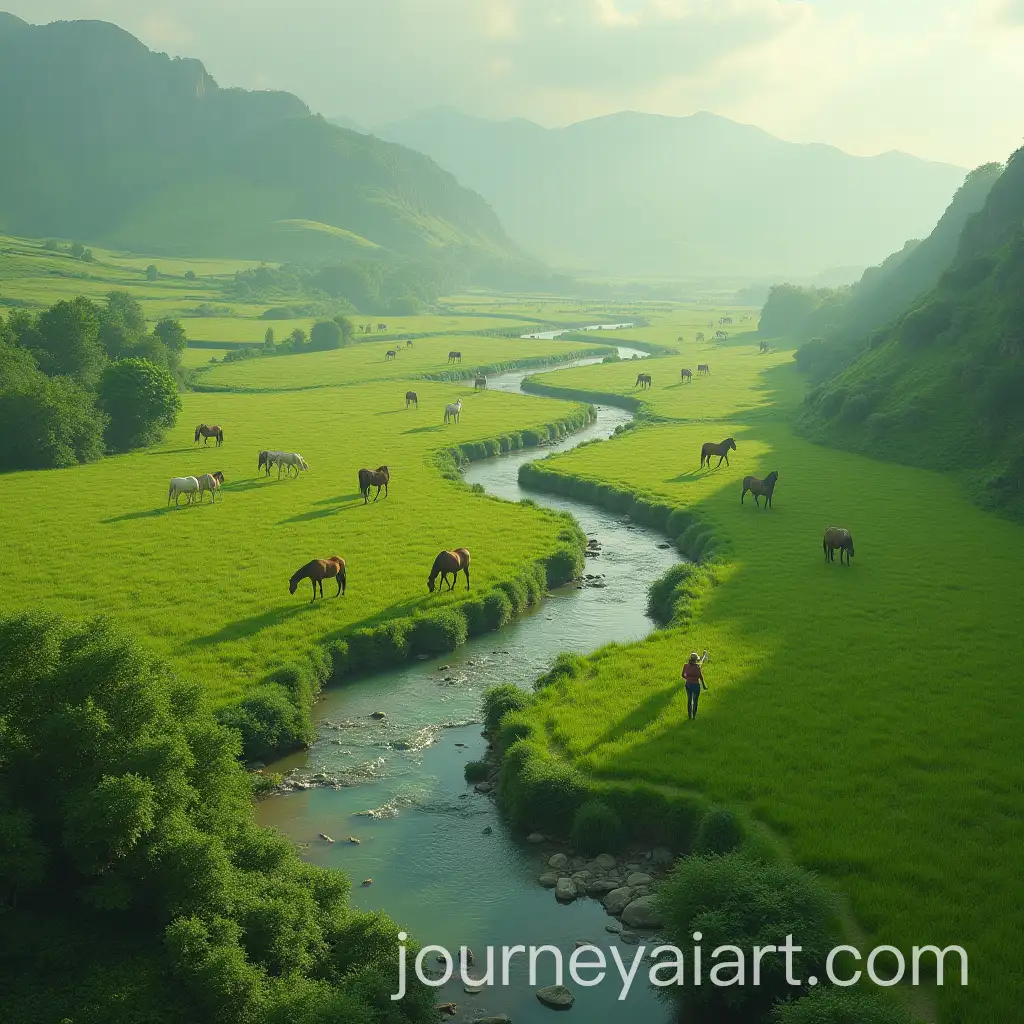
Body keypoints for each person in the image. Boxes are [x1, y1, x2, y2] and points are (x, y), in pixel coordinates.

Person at [682, 651, 707, 720]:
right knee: (695, 701)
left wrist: (688, 678)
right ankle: (694, 716)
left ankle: (689, 716)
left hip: (688, 685)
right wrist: (704, 685)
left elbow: (683, 675)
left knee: (689, 700)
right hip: (696, 686)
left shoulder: (685, 666)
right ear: (696, 660)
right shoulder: (697, 667)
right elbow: (700, 677)